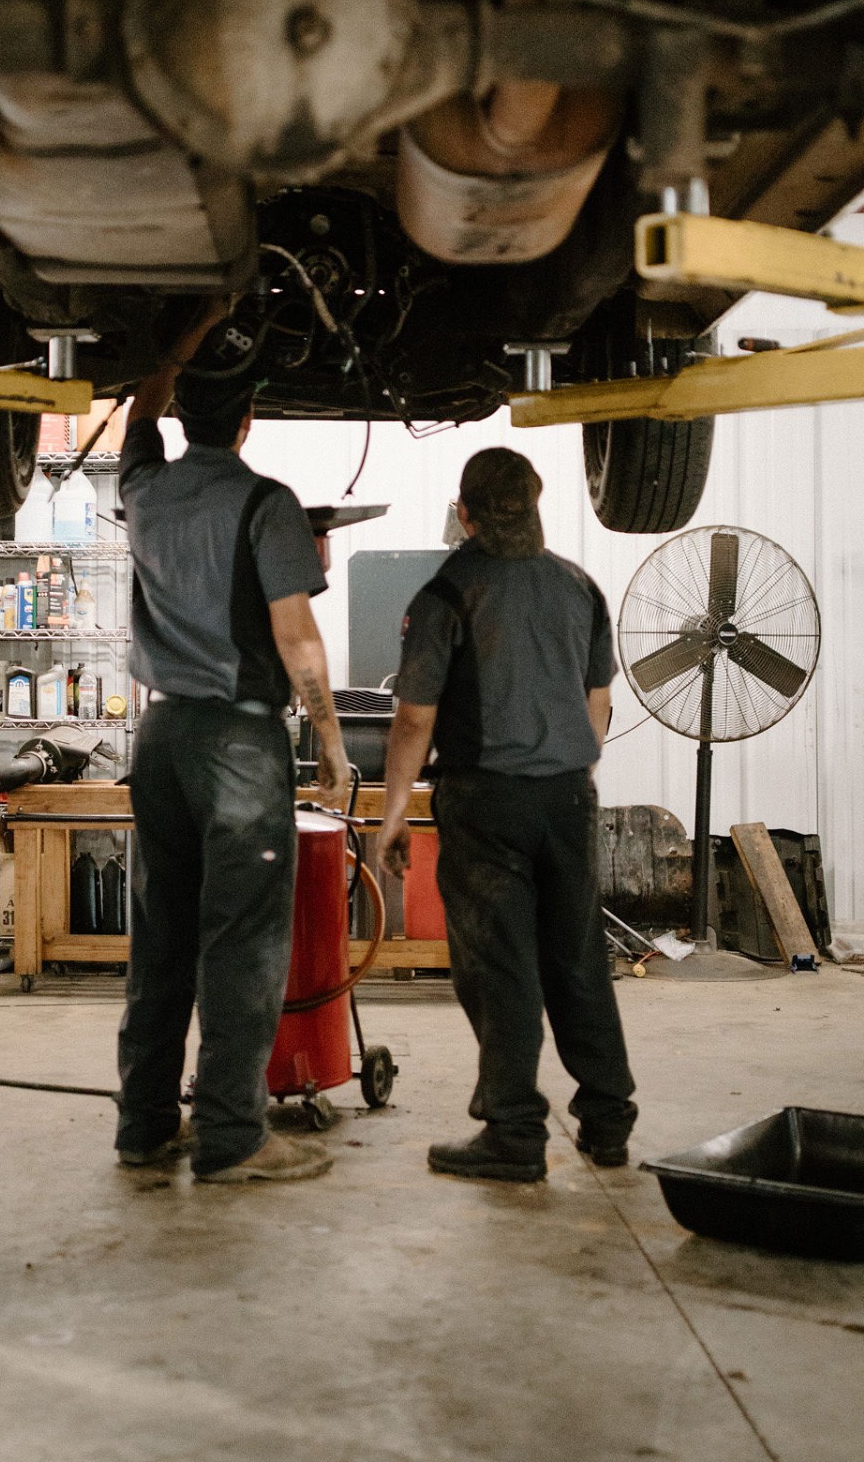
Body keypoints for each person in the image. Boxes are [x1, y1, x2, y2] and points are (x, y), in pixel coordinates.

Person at [115, 324, 352, 1184]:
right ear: (249, 418)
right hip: (239, 743)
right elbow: (296, 633)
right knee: (244, 942)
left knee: (162, 935)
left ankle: (143, 1126)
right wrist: (328, 738)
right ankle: (229, 1135)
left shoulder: (142, 489)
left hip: (162, 737)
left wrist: (179, 340)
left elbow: (137, 414)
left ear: (182, 414)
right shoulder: (267, 504)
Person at [377, 446, 636, 1182]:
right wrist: (568, 775)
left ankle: (514, 1133)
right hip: (567, 796)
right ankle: (608, 1119)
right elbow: (597, 707)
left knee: (501, 968)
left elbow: (412, 720)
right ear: (537, 499)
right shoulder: (578, 587)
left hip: (485, 801)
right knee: (576, 958)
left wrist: (394, 813)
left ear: (464, 512)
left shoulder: (447, 593)